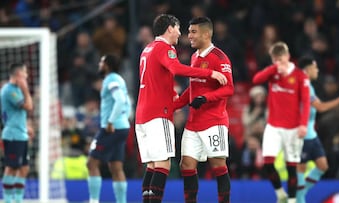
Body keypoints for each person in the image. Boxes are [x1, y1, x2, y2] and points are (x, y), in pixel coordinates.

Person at [135, 14, 227, 203]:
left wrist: (172, 96)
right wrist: (210, 73)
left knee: (152, 165)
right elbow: (177, 69)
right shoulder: (165, 48)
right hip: (158, 115)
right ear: (170, 28)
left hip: (142, 115)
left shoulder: (147, 49)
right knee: (163, 164)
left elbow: (155, 79)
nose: (180, 33)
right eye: (178, 28)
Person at [173, 17, 234, 203]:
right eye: (189, 31)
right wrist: (174, 105)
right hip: (193, 122)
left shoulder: (219, 58)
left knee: (218, 165)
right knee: (186, 165)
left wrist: (206, 98)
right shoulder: (194, 57)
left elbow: (229, 88)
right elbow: (193, 87)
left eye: (193, 32)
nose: (189, 36)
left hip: (213, 121)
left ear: (206, 34)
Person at [252, 42, 311, 203]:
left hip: (293, 129)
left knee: (291, 167)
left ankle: (292, 200)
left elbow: (306, 102)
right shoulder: (273, 73)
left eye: (281, 59)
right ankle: (280, 194)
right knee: (268, 163)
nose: (279, 63)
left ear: (288, 56)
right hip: (273, 127)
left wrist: (303, 124)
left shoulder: (300, 76)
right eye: (275, 60)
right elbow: (256, 79)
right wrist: (273, 69)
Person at [296, 56, 339, 203]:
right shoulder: (302, 86)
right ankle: (299, 198)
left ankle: (300, 192)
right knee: (301, 169)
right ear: (307, 70)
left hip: (312, 134)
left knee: (323, 166)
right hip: (301, 135)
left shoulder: (309, 86)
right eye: (315, 67)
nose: (317, 70)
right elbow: (321, 107)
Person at [86, 54, 131, 203]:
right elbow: (128, 103)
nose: (99, 64)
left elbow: (120, 100)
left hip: (111, 128)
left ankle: (93, 200)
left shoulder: (111, 80)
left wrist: (111, 121)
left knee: (91, 163)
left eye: (101, 61)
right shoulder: (120, 80)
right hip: (123, 127)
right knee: (116, 166)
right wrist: (124, 118)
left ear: (107, 65)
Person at [1, 63, 33, 203]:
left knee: (24, 168)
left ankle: (18, 199)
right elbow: (28, 106)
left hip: (20, 133)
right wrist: (26, 90)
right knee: (12, 168)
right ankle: (8, 200)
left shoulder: (15, 89)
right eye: (25, 73)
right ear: (19, 74)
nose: (27, 75)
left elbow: (17, 113)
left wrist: (26, 126)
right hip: (13, 135)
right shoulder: (9, 90)